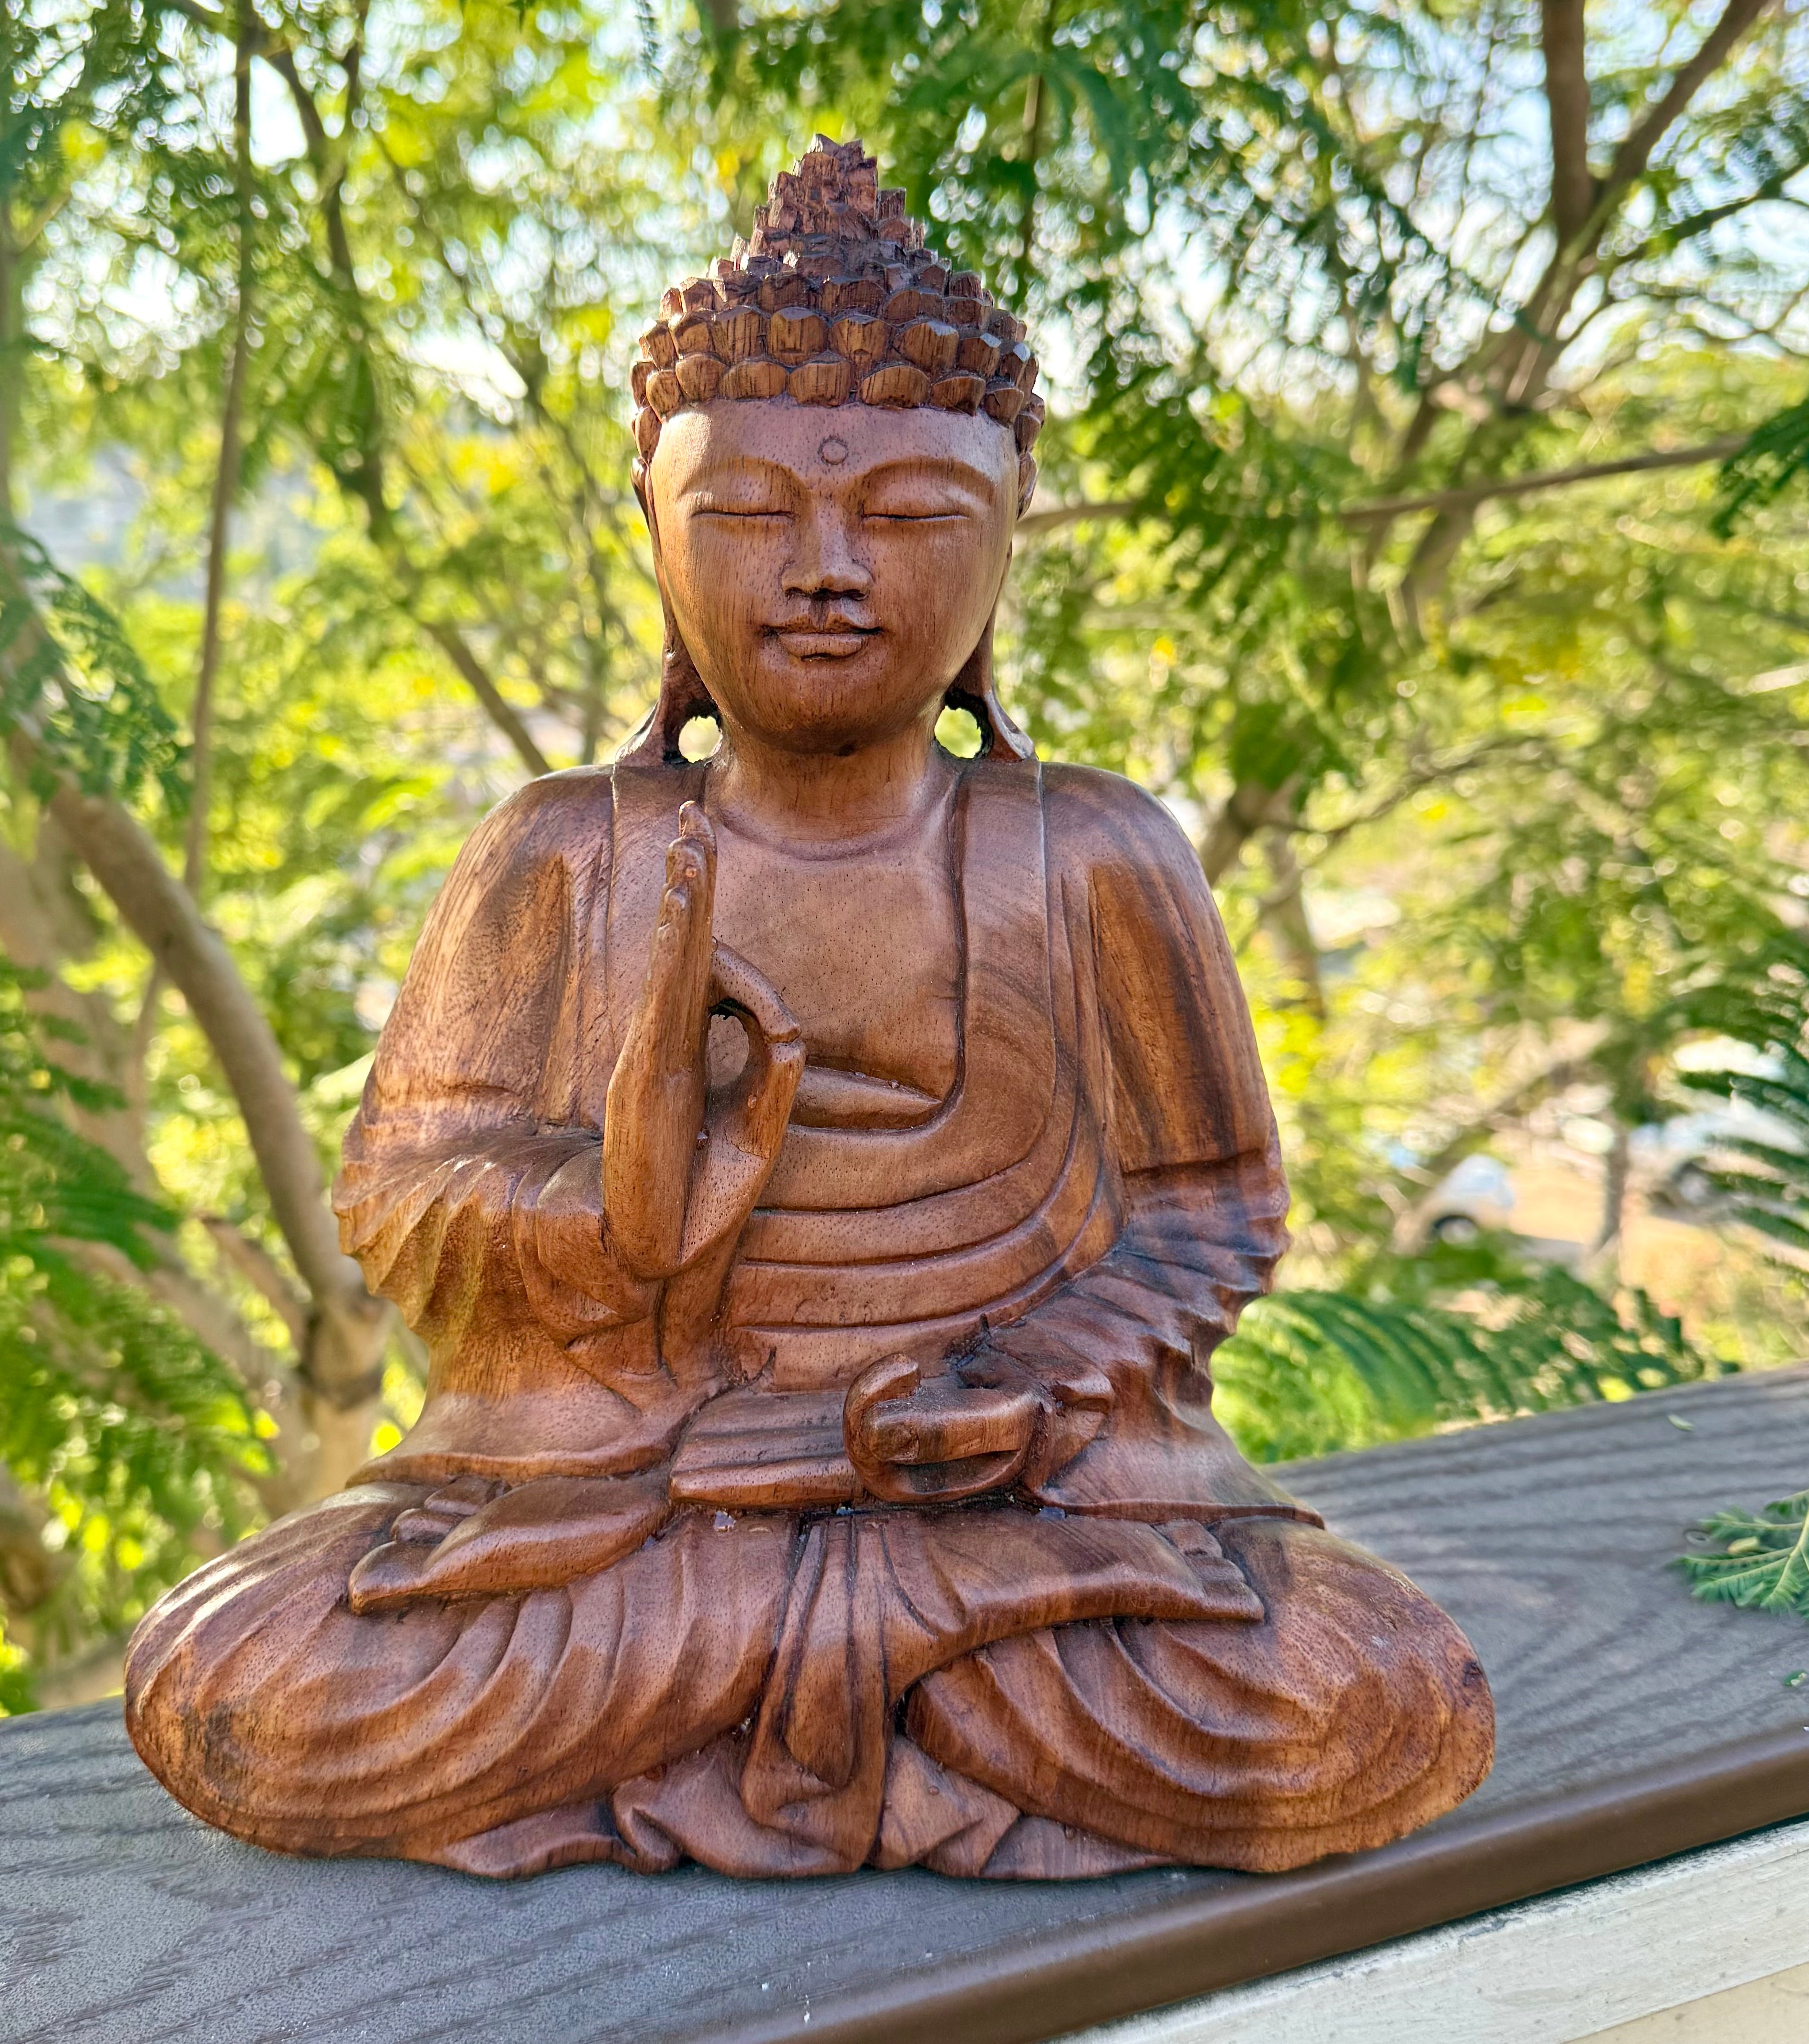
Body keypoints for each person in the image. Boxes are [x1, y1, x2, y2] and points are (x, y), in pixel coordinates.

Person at [126, 138, 1493, 1881]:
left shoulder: (1094, 854)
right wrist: (617, 1213)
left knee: (1370, 1694)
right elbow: (403, 1194)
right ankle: (897, 1690)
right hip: (631, 1507)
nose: (828, 568)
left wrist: (1021, 1388)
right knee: (239, 1682)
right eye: (750, 516)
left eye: (908, 517)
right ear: (655, 537)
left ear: (1002, 544)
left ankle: (822, 1683)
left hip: (1012, 1513)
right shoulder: (562, 854)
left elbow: (1210, 1210)